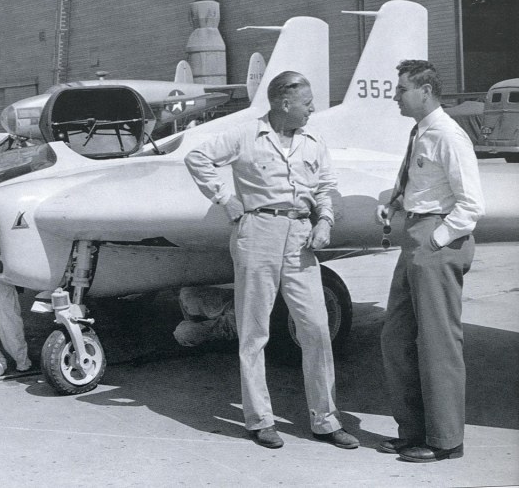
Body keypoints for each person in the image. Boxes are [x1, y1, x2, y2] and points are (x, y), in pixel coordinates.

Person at [185, 71, 359, 450]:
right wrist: (224, 198)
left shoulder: (314, 142)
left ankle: (326, 421)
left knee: (316, 327)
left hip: (300, 236)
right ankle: (260, 420)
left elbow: (326, 187)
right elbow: (197, 157)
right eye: (307, 103)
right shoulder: (246, 135)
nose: (312, 109)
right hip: (257, 232)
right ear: (284, 102)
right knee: (254, 332)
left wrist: (325, 221)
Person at [376, 60, 485, 463]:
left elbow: (471, 204)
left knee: (438, 343)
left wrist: (435, 240)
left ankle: (446, 440)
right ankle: (413, 431)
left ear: (425, 90)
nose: (395, 96)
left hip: (437, 238)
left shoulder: (449, 136)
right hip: (415, 233)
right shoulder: (420, 132)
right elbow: (422, 184)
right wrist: (395, 204)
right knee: (396, 338)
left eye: (401, 89)